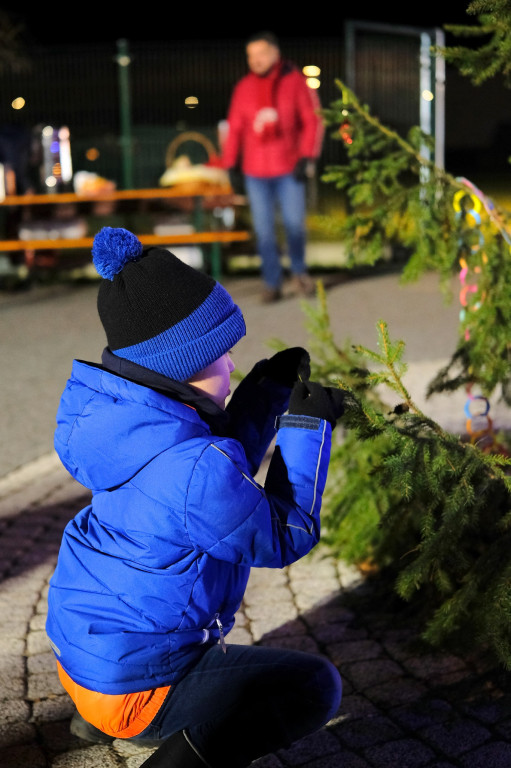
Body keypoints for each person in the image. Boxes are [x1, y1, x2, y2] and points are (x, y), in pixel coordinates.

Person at [46, 226, 346, 768]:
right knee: (313, 686)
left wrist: (267, 393)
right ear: (180, 366)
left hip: (84, 657)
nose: (231, 364)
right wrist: (309, 429)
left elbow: (211, 471)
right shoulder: (192, 469)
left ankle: (93, 717)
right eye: (220, 355)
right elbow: (284, 534)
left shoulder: (129, 426)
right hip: (139, 689)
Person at [222, 31, 324, 304]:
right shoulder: (243, 88)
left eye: (261, 54)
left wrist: (307, 156)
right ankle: (272, 282)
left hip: (289, 167)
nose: (255, 60)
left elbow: (312, 120)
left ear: (275, 54)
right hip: (255, 172)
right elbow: (234, 128)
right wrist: (230, 164)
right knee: (264, 231)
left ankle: (299, 273)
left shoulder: (295, 81)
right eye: (250, 55)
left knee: (294, 225)